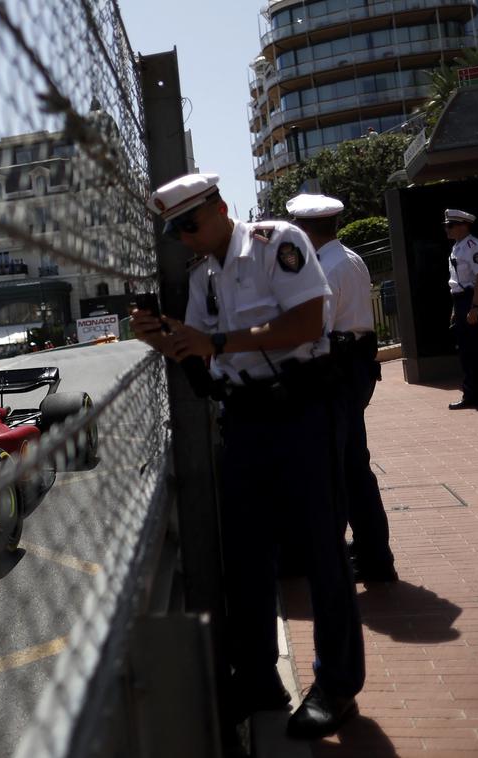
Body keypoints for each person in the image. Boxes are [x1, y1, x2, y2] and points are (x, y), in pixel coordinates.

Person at [131, 173, 363, 738]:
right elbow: (206, 359)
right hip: (245, 419)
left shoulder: (275, 243)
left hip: (302, 411)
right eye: (176, 230)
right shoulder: (203, 277)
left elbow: (308, 321)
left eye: (191, 224)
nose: (186, 237)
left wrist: (217, 342)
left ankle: (337, 686)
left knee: (322, 550)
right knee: (246, 554)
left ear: (220, 208)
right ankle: (259, 677)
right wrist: (169, 339)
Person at [288, 193, 396, 583]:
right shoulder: (348, 258)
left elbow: (314, 330)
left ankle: (373, 557)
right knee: (352, 461)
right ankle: (370, 547)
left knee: (344, 466)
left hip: (337, 369)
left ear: (302, 230)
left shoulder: (322, 270)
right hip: (356, 367)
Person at [444, 209, 478, 410]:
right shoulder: (457, 247)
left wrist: (475, 306)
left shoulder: (475, 247)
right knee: (467, 352)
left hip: (475, 299)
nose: (447, 229)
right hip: (461, 300)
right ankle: (471, 394)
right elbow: (457, 282)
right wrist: (456, 309)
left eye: (450, 225)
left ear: (463, 226)